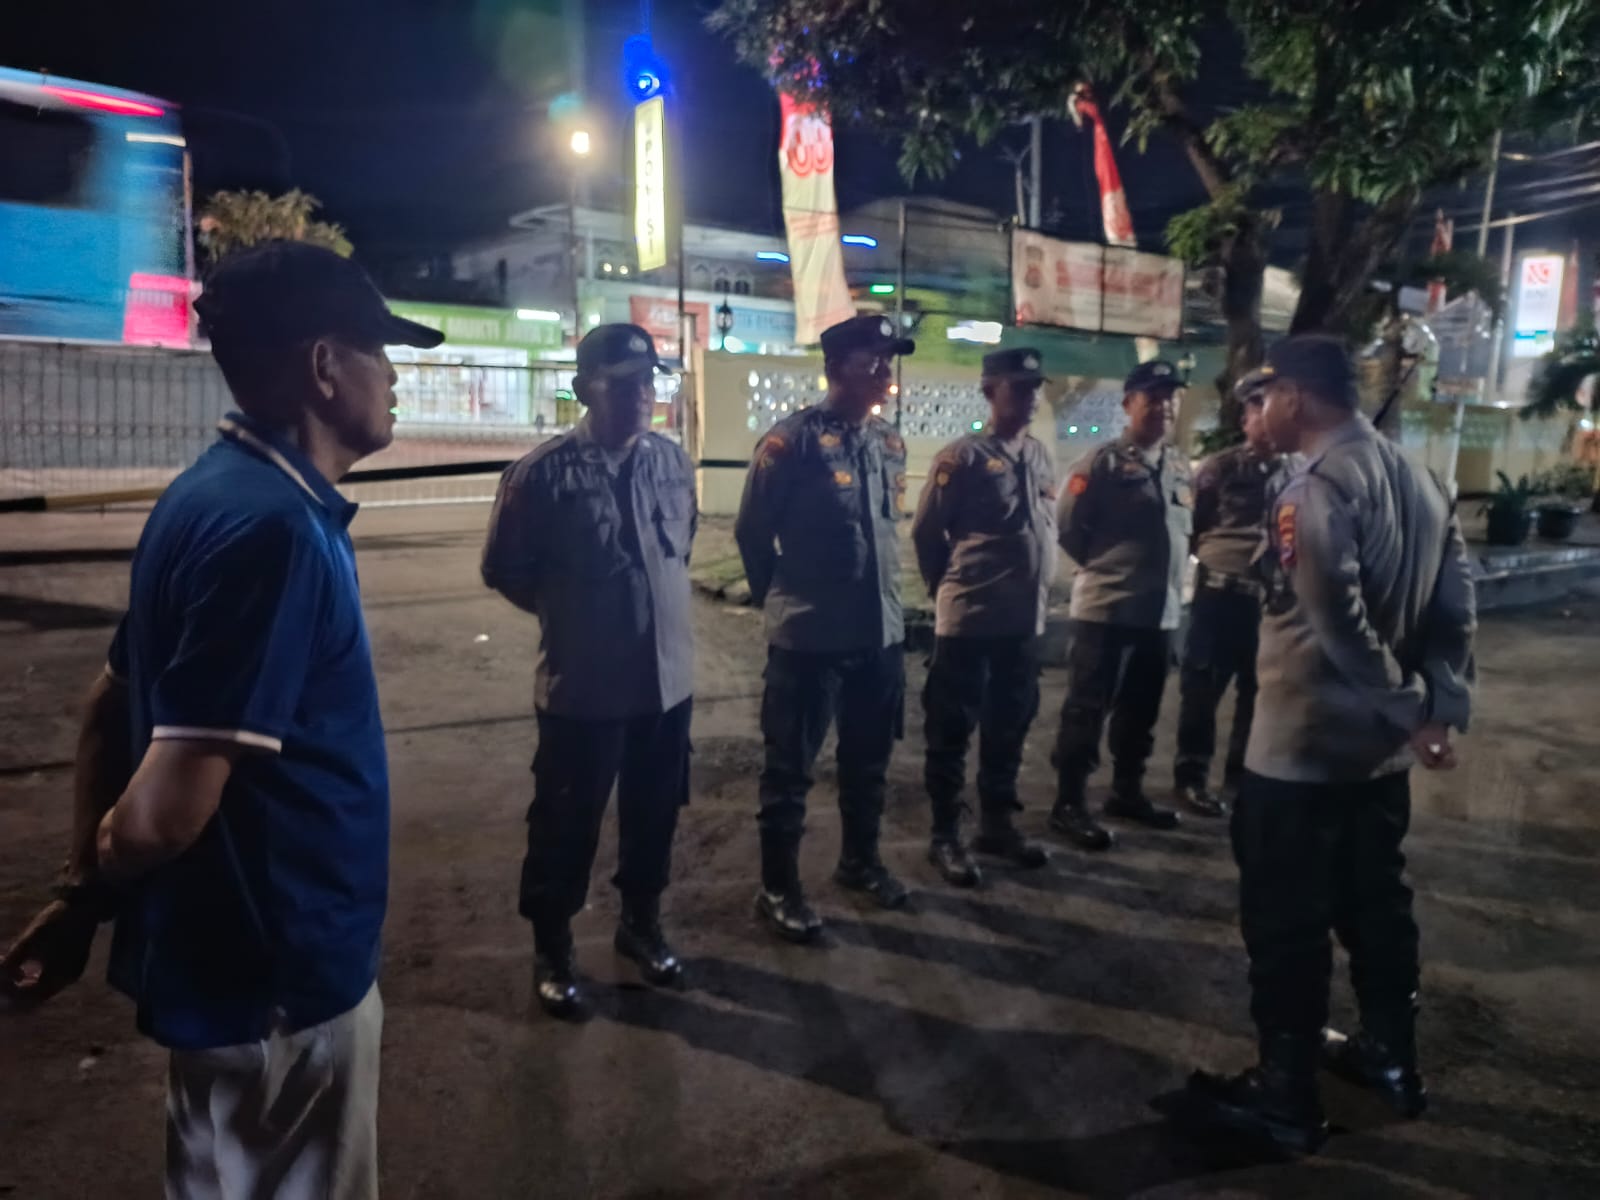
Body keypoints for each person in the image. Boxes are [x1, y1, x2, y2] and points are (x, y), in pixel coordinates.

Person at [0, 240, 442, 1198]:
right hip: (278, 989)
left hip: (242, 984)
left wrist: (82, 899)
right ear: (324, 366)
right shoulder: (272, 533)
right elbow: (163, 814)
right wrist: (105, 872)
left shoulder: (209, 494)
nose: (394, 373)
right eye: (377, 348)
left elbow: (110, 701)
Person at [1183, 335, 1476, 1156]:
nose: (1257, 411)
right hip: (1376, 759)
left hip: (1301, 754)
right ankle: (1390, 1058)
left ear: (1298, 396)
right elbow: (1455, 607)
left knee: (1286, 922)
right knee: (1375, 906)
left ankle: (1285, 1096)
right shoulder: (1424, 480)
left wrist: (1412, 708)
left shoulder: (1315, 486)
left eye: (1265, 395)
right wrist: (1438, 706)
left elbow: (1337, 624)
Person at [482, 324, 696, 1020]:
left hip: (666, 685)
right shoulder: (540, 476)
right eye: (623, 384)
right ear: (584, 390)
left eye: (648, 382)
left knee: (654, 815)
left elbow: (681, 550)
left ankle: (641, 925)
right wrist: (578, 619)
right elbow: (506, 570)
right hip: (584, 690)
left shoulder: (672, 463)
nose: (642, 396)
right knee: (565, 825)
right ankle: (553, 947)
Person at [735, 314, 913, 942]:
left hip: (879, 636)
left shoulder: (889, 442)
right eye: (873, 360)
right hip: (810, 640)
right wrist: (784, 601)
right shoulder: (791, 444)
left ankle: (860, 863)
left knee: (869, 764)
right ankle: (778, 888)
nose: (884, 371)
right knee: (790, 773)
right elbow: (752, 534)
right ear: (836, 368)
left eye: (888, 360)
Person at [910, 347, 1055, 887]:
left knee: (1009, 728)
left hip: (1022, 623)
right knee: (951, 732)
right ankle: (945, 835)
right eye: (1020, 387)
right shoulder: (962, 458)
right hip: (970, 621)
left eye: (1035, 387)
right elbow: (927, 533)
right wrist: (947, 590)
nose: (1031, 397)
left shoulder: (1038, 455)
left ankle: (997, 825)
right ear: (990, 391)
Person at [1050, 360, 1192, 850]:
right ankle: (1069, 803)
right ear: (1129, 404)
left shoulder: (1177, 466)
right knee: (1087, 711)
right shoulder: (1101, 463)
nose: (1164, 406)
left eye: (1171, 398)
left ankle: (1126, 792)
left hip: (1160, 613)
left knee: (1141, 712)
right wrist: (1107, 569)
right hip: (1107, 610)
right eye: (1154, 397)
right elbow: (1067, 527)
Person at [1171, 369, 1283, 816]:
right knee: (1202, 690)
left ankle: (1243, 780)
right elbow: (1193, 529)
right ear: (1245, 419)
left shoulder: (1299, 471)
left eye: (1272, 410)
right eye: (1258, 411)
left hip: (1270, 602)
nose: (1266, 421)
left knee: (1259, 694)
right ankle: (1191, 777)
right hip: (1220, 596)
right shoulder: (1220, 468)